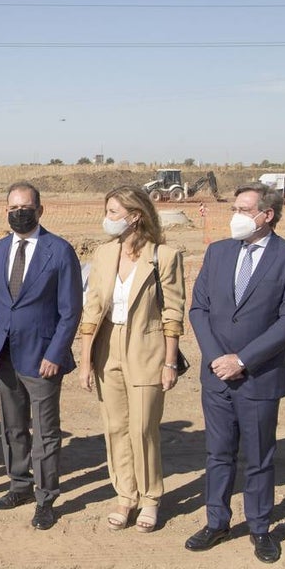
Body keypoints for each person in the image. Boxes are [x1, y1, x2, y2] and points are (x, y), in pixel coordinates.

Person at [186, 183, 285, 563]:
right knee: (218, 453)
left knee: (258, 457)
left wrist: (241, 360)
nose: (235, 216)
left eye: (243, 209)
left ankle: (259, 528)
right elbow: (199, 309)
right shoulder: (218, 252)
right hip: (216, 376)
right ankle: (217, 522)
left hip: (259, 377)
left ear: (267, 215)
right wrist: (216, 358)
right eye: (234, 209)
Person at [78, 186, 185, 533]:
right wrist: (85, 359)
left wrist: (169, 362)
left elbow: (173, 312)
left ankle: (151, 497)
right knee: (115, 427)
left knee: (143, 429)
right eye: (107, 211)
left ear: (135, 215)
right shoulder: (104, 254)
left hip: (147, 348)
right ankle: (126, 495)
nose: (107, 219)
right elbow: (92, 307)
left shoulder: (164, 257)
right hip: (107, 347)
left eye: (113, 212)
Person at [0, 181, 82, 530]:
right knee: (12, 427)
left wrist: (56, 352)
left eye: (25, 208)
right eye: (12, 208)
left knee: (46, 431)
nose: (18, 213)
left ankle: (46, 497)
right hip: (5, 354)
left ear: (40, 210)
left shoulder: (60, 251)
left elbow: (71, 310)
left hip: (43, 358)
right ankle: (19, 485)